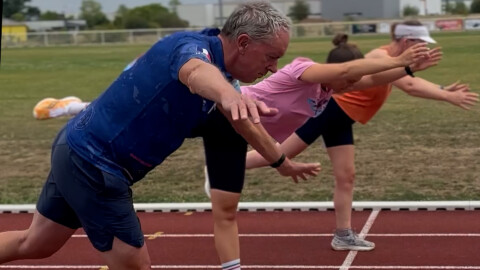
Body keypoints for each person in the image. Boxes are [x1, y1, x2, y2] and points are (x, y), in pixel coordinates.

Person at [0, 2, 323, 270]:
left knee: (36, 243)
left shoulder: (225, 75)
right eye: (270, 57)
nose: (273, 67)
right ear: (242, 43)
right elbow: (196, 73)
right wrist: (229, 96)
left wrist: (281, 162)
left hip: (77, 152)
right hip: (94, 163)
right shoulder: (191, 49)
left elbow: (245, 125)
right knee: (135, 266)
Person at [239, 22, 478, 252]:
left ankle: (343, 235)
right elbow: (408, 85)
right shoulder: (377, 58)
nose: (423, 48)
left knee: (346, 175)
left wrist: (433, 83)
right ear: (407, 40)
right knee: (281, 155)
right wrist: (444, 94)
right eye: (420, 44)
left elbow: (381, 79)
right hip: (328, 112)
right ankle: (223, 167)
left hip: (341, 116)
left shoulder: (374, 68)